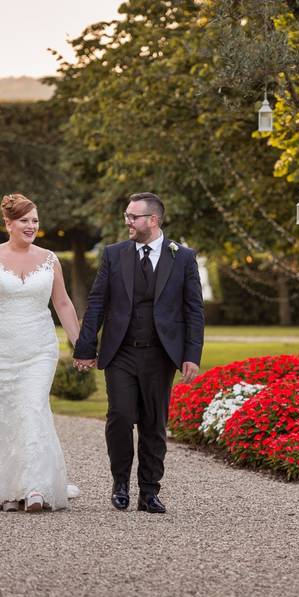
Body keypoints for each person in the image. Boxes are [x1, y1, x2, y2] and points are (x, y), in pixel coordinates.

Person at [73, 192, 204, 513]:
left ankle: (149, 491)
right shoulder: (114, 255)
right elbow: (97, 304)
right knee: (119, 417)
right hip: (120, 352)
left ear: (153, 220)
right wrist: (86, 347)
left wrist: (191, 354)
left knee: (154, 423)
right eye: (127, 216)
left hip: (161, 355)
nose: (127, 222)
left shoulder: (183, 258)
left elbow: (194, 310)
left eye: (134, 217)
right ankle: (120, 483)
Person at [0, 194, 82, 512]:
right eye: (25, 220)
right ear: (9, 224)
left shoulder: (50, 259)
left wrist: (80, 343)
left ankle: (36, 487)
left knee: (32, 409)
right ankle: (8, 489)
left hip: (39, 349)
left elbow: (63, 303)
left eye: (35, 221)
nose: (31, 226)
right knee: (3, 418)